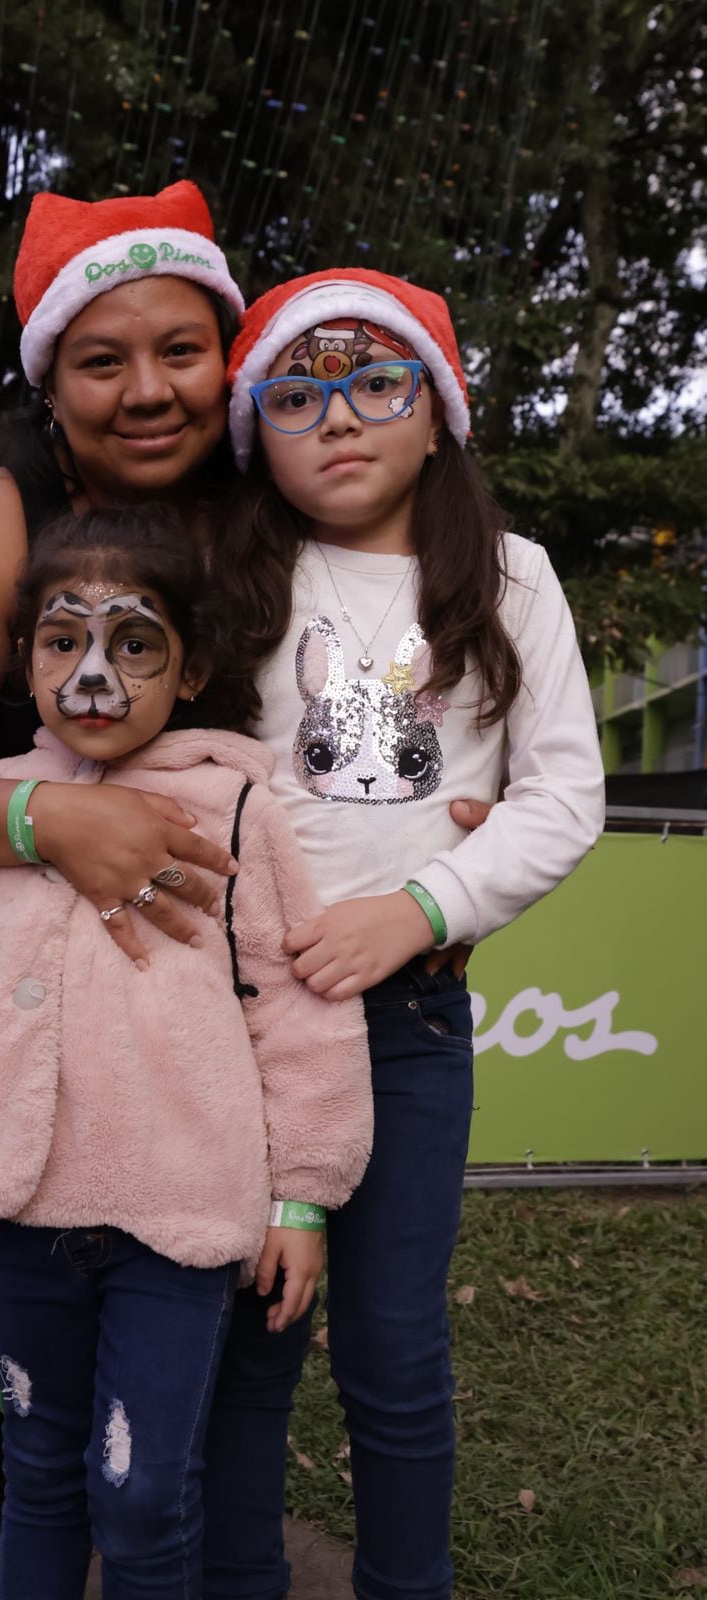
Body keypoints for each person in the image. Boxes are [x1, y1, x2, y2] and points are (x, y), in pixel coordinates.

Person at [0, 179, 250, 1598]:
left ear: (228, 357)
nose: (147, 389)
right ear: (51, 380)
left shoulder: (258, 522)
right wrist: (49, 823)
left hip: (188, 998)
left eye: (181, 350)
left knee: (179, 1356)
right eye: (102, 357)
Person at [0, 505, 374, 1599]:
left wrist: (300, 1198)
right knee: (39, 1474)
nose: (93, 672)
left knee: (142, 1493)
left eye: (133, 642)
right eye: (63, 641)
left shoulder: (235, 807)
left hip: (178, 1219)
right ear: (25, 659)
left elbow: (291, 1009)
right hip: (14, 1211)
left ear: (188, 671)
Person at [198, 268, 605, 1600]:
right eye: (298, 396)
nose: (341, 419)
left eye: (379, 384)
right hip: (248, 1022)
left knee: (391, 1348)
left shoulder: (505, 574)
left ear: (438, 413)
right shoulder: (227, 569)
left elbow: (560, 796)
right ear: (257, 429)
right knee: (251, 1340)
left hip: (412, 1023)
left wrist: (422, 903)